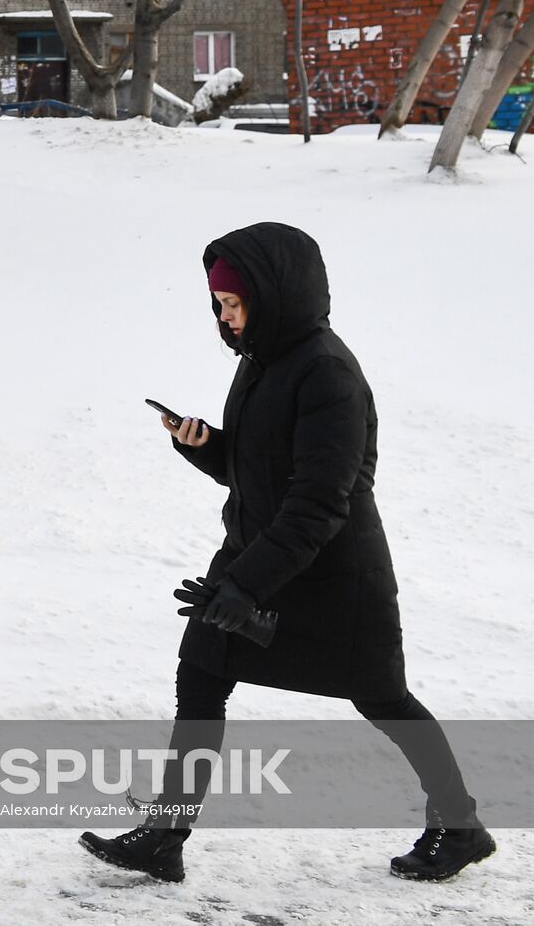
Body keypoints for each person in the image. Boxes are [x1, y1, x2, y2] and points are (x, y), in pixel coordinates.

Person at [78, 222, 496, 883]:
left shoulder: (327, 373)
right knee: (202, 670)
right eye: (218, 305)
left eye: (234, 303)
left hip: (334, 575)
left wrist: (244, 584)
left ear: (273, 296)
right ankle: (164, 834)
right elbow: (258, 468)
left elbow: (318, 502)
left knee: (383, 697)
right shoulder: (261, 362)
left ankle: (462, 822)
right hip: (264, 555)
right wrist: (205, 446)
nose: (225, 317)